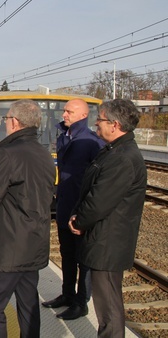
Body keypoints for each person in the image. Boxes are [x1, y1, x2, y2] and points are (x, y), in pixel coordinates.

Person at [0, 100, 55, 338]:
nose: (5, 122)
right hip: (35, 242)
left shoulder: (8, 153)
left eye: (6, 118)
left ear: (14, 122)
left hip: (8, 245)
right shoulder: (44, 154)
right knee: (28, 303)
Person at [69, 99, 146, 337]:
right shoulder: (114, 150)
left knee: (109, 306)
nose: (96, 124)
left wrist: (79, 221)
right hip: (105, 238)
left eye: (100, 119)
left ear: (114, 124)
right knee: (106, 303)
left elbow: (99, 200)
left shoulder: (122, 157)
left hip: (109, 242)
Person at [42, 99, 105, 320]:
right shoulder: (63, 137)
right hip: (64, 206)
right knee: (67, 255)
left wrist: (85, 213)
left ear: (82, 115)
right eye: (65, 110)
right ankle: (67, 294)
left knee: (83, 259)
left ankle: (81, 302)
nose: (64, 114)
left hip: (80, 211)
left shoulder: (91, 142)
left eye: (69, 111)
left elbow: (98, 182)